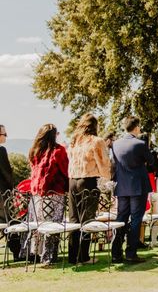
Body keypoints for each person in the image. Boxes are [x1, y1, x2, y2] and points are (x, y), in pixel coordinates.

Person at [67, 113, 112, 264]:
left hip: (72, 180)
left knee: (74, 219)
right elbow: (103, 162)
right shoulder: (97, 141)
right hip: (88, 180)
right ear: (95, 126)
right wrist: (106, 178)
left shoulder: (74, 141)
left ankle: (72, 256)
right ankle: (84, 256)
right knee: (87, 220)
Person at [111, 116, 155, 264]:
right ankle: (131, 253)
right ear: (136, 127)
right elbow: (152, 161)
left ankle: (116, 253)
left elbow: (114, 164)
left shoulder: (115, 144)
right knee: (136, 219)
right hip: (138, 186)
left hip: (122, 187)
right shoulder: (140, 144)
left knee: (121, 219)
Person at [25, 123, 69, 266]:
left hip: (37, 193)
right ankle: (50, 256)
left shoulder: (34, 150)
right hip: (55, 192)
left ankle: (36, 254)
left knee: (40, 224)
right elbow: (65, 169)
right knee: (54, 224)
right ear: (54, 135)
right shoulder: (59, 150)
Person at [0, 124, 14, 222]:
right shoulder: (1, 150)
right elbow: (6, 172)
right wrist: (12, 188)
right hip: (2, 193)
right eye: (5, 134)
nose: (6, 136)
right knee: (7, 221)